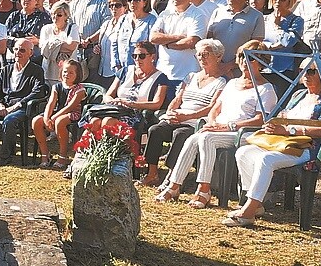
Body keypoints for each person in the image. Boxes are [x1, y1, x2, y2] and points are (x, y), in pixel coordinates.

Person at [155, 40, 277, 208]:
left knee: (206, 139)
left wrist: (228, 127)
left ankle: (204, 190)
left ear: (262, 61)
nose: (244, 62)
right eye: (241, 56)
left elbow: (260, 120)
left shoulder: (266, 89)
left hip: (243, 133)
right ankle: (174, 186)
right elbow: (215, 109)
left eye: (251, 58)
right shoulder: (232, 83)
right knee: (194, 138)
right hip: (219, 129)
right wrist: (212, 123)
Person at [227, 60, 321, 227]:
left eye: (312, 71)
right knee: (244, 152)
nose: (306, 75)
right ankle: (255, 204)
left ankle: (248, 211)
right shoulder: (299, 95)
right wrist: (274, 125)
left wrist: (290, 131)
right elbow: (283, 116)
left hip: (307, 148)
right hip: (283, 143)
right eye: (303, 70)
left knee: (266, 159)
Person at [139, 39, 227, 187]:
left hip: (196, 121)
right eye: (198, 55)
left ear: (218, 57)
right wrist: (170, 112)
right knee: (155, 130)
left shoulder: (221, 82)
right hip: (178, 117)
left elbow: (212, 107)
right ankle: (152, 173)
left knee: (180, 134)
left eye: (205, 54)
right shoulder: (191, 76)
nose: (201, 58)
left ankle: (172, 176)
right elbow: (178, 98)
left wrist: (187, 116)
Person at [0, 38, 44, 165]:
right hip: (3, 105)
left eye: (22, 50)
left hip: (22, 108)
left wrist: (18, 105)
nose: (18, 53)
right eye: (15, 49)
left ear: (31, 53)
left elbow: (38, 92)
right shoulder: (6, 69)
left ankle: (6, 156)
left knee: (9, 120)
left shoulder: (36, 70)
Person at [89, 41, 170, 132]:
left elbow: (157, 103)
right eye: (134, 56)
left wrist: (132, 104)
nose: (137, 59)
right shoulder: (125, 71)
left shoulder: (161, 78)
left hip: (136, 115)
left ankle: (108, 146)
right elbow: (108, 95)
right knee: (94, 121)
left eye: (142, 56)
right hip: (116, 110)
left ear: (153, 57)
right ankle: (86, 146)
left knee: (108, 121)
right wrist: (114, 101)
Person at [32, 59, 88, 169]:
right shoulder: (57, 87)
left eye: (71, 73)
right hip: (57, 112)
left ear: (77, 75)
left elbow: (70, 107)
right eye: (65, 71)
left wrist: (53, 118)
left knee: (59, 121)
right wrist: (47, 117)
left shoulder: (80, 90)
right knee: (36, 121)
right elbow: (51, 103)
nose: (67, 74)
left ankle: (63, 156)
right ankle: (45, 154)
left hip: (73, 113)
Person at [205, 0, 265, 77]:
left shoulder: (257, 16)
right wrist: (217, 64)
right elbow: (209, 41)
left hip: (240, 72)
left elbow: (255, 48)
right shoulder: (218, 12)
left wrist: (229, 66)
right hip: (215, 70)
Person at [149, 0, 206, 84]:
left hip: (187, 76)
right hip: (162, 73)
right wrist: (177, 37)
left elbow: (191, 42)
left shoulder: (198, 15)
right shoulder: (165, 14)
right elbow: (153, 38)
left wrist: (165, 43)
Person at [110, 0, 157, 86]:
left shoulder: (152, 21)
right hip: (122, 71)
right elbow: (114, 42)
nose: (132, 3)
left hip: (142, 72)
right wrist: (116, 65)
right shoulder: (123, 19)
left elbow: (153, 48)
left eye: (136, 0)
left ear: (144, 2)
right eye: (130, 0)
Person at [38, 1, 79, 85]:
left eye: (59, 15)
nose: (55, 17)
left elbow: (71, 46)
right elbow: (43, 49)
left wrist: (51, 45)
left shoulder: (72, 27)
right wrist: (63, 46)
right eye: (53, 14)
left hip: (67, 73)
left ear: (66, 16)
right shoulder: (46, 29)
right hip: (48, 71)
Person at [95, 0, 129, 86]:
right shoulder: (107, 24)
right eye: (111, 5)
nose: (114, 8)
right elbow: (101, 43)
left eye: (118, 5)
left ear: (125, 7)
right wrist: (97, 47)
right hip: (102, 70)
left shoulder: (127, 25)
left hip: (117, 71)